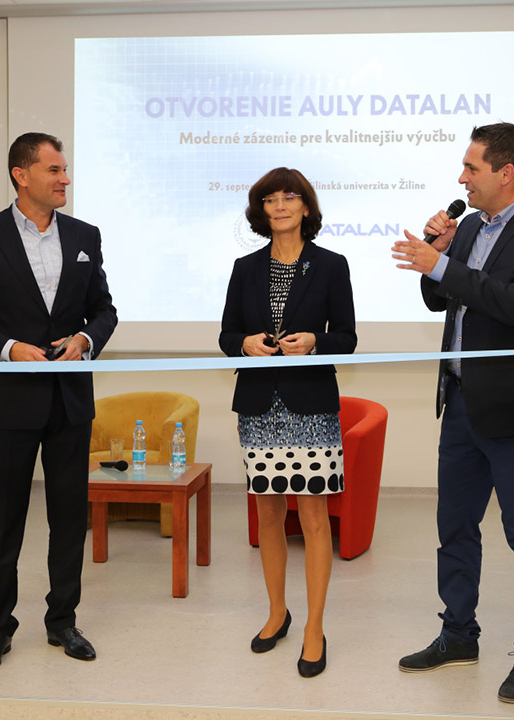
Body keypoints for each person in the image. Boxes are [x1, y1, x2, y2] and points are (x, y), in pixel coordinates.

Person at [391, 123, 514, 703]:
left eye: (471, 168)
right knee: (454, 526)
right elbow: (439, 298)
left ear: (506, 172)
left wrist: (444, 266)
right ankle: (458, 634)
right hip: (461, 403)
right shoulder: (469, 226)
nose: (461, 178)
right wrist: (439, 255)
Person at [0, 132, 117, 676]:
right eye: (54, 169)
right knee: (3, 521)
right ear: (22, 174)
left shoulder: (85, 236)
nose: (65, 179)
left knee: (69, 519)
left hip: (70, 402)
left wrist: (85, 339)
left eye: (65, 170)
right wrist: (8, 348)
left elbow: (104, 310)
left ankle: (63, 621)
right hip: (8, 402)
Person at [219, 167, 356, 679]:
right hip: (260, 407)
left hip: (311, 406)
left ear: (305, 207)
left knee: (315, 520)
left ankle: (315, 627)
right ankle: (277, 612)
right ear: (261, 210)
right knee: (269, 516)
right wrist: (244, 343)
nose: (279, 206)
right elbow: (227, 334)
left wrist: (317, 341)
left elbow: (347, 337)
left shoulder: (331, 265)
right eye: (270, 199)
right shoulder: (245, 267)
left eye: (289, 197)